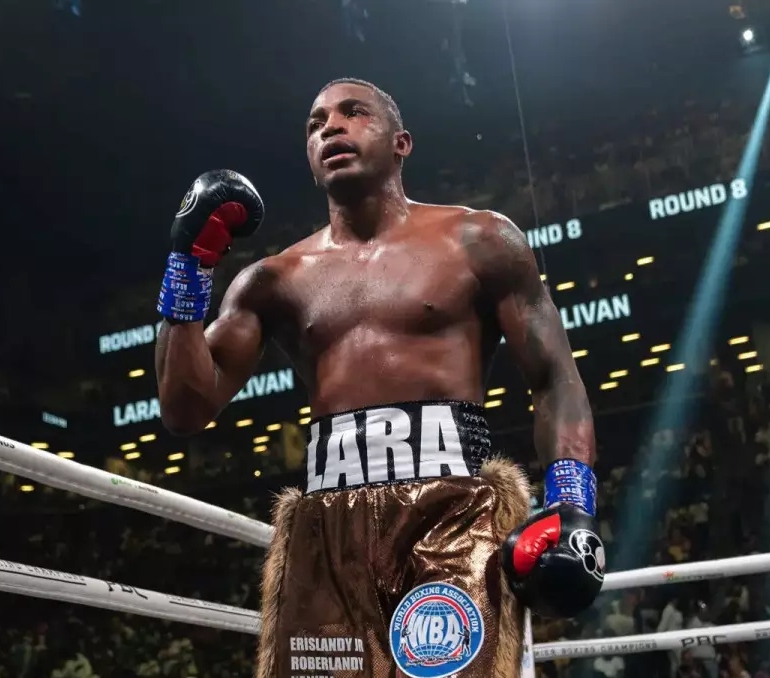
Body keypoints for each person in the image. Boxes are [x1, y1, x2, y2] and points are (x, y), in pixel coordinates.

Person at [155, 78, 605, 678]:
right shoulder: (272, 280)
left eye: (353, 112)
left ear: (401, 142)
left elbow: (555, 379)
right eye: (315, 123)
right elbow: (185, 407)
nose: (330, 128)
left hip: (454, 515)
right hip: (326, 530)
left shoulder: (480, 240)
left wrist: (572, 503)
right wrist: (187, 267)